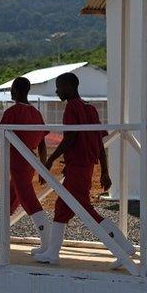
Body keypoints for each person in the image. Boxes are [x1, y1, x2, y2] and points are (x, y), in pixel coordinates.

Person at [34, 72, 135, 266]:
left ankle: (123, 248)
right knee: (62, 209)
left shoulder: (72, 108)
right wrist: (104, 171)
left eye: (60, 86)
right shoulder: (91, 109)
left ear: (70, 87)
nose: (57, 91)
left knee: (86, 210)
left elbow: (70, 138)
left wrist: (51, 159)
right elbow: (99, 142)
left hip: (78, 168)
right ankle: (52, 254)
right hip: (85, 167)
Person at [0, 77, 51, 255]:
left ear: (16, 91)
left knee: (29, 201)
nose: (11, 92)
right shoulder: (37, 113)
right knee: (10, 201)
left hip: (17, 163)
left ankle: (48, 244)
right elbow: (43, 144)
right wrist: (43, 168)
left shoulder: (12, 112)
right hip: (31, 162)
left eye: (13, 88)